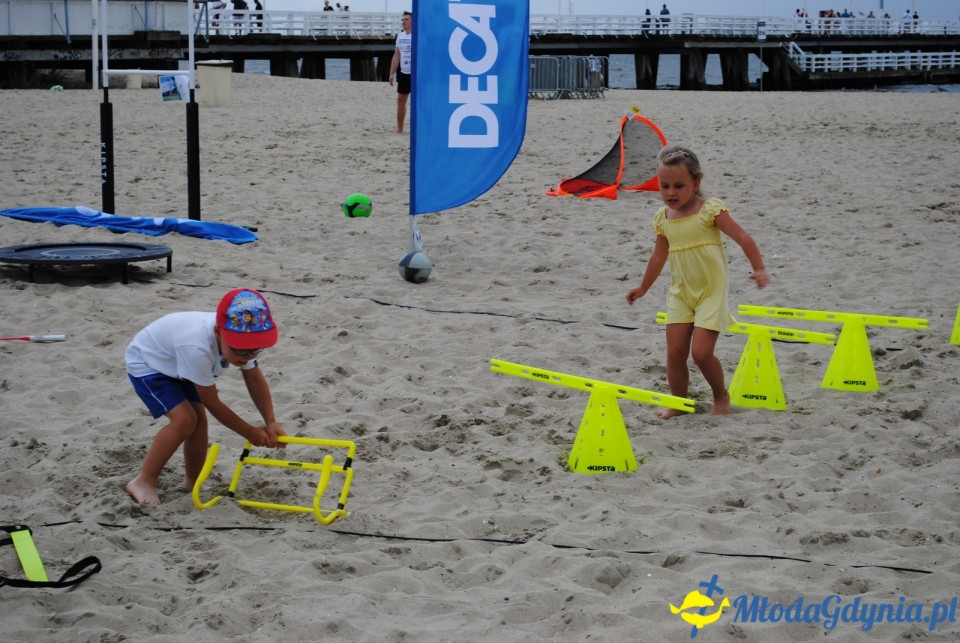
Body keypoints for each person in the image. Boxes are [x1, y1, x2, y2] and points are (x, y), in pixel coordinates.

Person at [626, 146, 769, 418]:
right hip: (680, 294)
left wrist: (759, 268)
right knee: (675, 353)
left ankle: (720, 395)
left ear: (696, 183)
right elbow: (658, 256)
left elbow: (742, 237)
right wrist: (643, 288)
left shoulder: (709, 211)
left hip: (710, 294)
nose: (671, 193)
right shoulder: (663, 218)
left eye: (679, 186)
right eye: (664, 185)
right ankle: (678, 404)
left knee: (701, 354)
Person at [124, 288, 287, 505]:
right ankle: (143, 480)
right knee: (185, 420)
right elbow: (212, 401)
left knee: (199, 421)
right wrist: (249, 432)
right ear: (219, 332)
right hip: (149, 362)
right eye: (239, 351)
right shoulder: (196, 347)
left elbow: (254, 378)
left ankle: (194, 480)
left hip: (178, 362)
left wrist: (270, 421)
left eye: (255, 351)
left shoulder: (243, 338)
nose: (246, 356)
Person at [389, 11, 413, 134]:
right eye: (402, 20)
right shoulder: (400, 36)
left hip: (417, 74)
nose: (404, 21)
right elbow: (396, 56)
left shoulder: (418, 35)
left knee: (419, 102)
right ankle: (399, 128)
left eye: (406, 19)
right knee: (401, 100)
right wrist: (391, 73)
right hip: (404, 73)